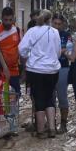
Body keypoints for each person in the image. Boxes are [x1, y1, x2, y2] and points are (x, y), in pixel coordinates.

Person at [19, 10, 61, 138]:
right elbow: (58, 52)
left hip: (35, 70)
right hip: (53, 70)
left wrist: (28, 57)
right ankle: (52, 129)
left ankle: (41, 131)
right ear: (50, 19)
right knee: (49, 98)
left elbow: (21, 49)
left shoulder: (32, 31)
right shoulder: (55, 32)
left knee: (38, 99)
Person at [0, 7, 22, 94]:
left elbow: (21, 48)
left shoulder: (17, 30)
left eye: (10, 20)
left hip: (15, 72)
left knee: (15, 97)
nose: (8, 22)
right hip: (0, 72)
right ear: (1, 18)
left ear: (13, 18)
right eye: (6, 20)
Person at [52, 14, 72, 133]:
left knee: (62, 96)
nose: (57, 26)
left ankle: (63, 124)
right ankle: (51, 123)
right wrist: (61, 51)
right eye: (55, 23)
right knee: (50, 97)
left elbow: (68, 49)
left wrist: (58, 51)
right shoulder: (48, 33)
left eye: (59, 24)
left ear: (63, 24)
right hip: (48, 69)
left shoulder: (66, 35)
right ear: (51, 23)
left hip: (63, 68)